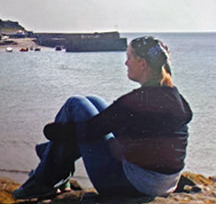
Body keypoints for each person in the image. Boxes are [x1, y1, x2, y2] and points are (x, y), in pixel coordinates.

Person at [13, 36, 192, 200]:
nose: (126, 63)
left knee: (74, 104)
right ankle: (53, 162)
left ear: (143, 64)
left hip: (130, 186)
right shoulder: (174, 96)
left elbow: (90, 131)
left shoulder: (139, 100)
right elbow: (108, 124)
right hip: (164, 184)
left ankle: (43, 180)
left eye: (129, 57)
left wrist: (52, 132)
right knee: (93, 101)